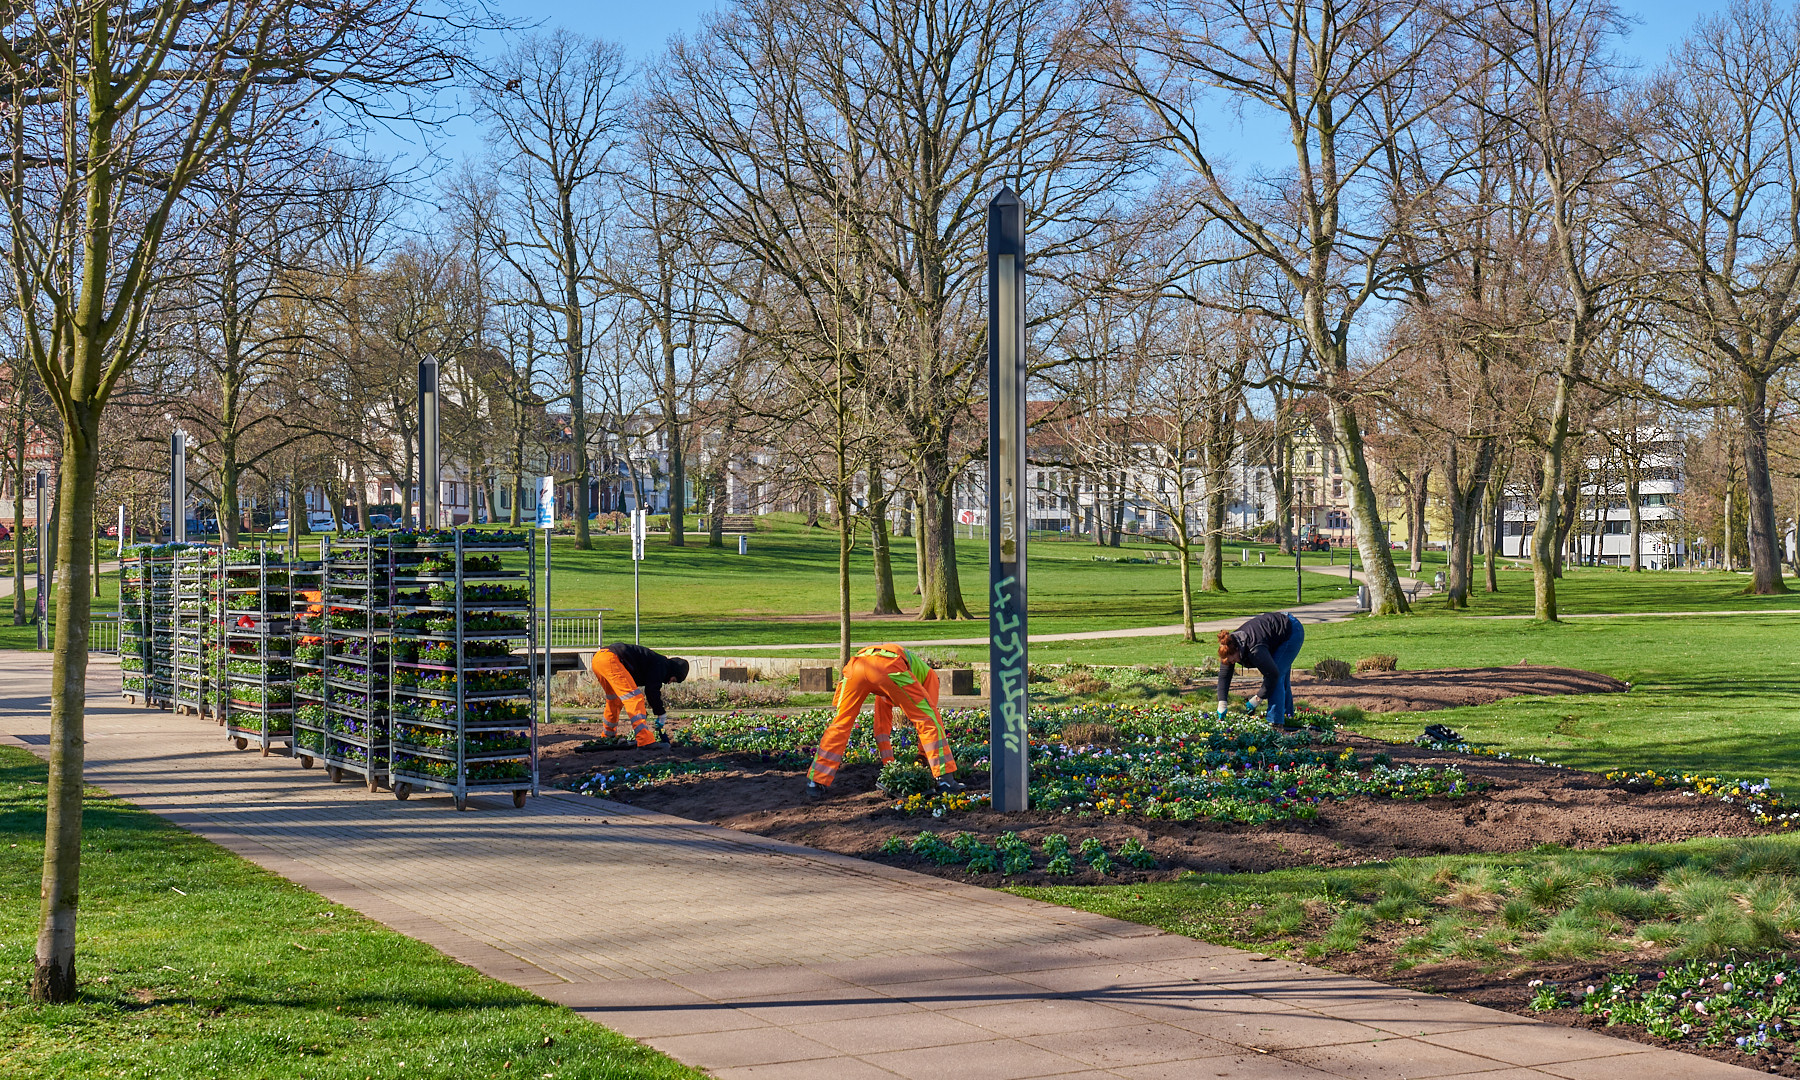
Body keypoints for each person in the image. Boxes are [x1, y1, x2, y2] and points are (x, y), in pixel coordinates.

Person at [807, 643, 963, 798]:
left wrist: (889, 765)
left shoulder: (891, 684)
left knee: (841, 723)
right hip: (889, 666)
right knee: (929, 720)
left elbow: (881, 727)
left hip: (858, 664)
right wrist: (922, 756)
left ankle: (816, 781)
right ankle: (946, 781)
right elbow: (929, 722)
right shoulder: (930, 677)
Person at [1216, 611, 1306, 730]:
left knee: (1277, 676)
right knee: (1279, 674)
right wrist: (1222, 703)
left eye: (1233, 660)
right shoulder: (1228, 645)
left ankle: (1275, 723)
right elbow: (1224, 676)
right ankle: (1287, 716)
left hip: (1291, 631)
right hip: (1274, 633)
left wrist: (1257, 698)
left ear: (1237, 650)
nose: (1232, 663)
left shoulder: (1255, 650)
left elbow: (1272, 676)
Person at [589, 643, 690, 747]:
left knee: (614, 700)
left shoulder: (656, 661)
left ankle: (607, 736)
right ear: (674, 671)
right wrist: (661, 713)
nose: (669, 682)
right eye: (673, 680)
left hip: (599, 658)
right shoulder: (662, 665)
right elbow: (652, 690)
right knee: (634, 698)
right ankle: (645, 740)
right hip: (611, 659)